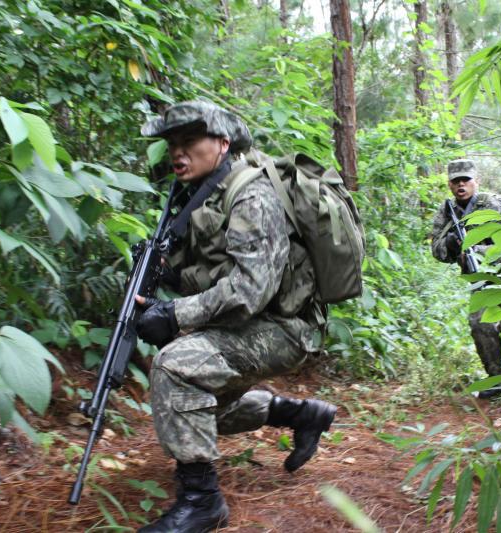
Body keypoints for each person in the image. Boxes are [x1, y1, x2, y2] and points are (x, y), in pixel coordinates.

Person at [133, 100, 337, 533]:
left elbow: (250, 288)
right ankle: (302, 414)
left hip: (287, 328)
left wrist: (175, 315)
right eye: (172, 143)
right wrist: (163, 279)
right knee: (194, 406)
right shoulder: (204, 194)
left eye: (190, 141)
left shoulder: (251, 194)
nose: (177, 152)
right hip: (255, 322)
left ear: (223, 144)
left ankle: (202, 501)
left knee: (174, 367)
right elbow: (212, 271)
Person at [430, 159, 501, 400]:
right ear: (449, 184)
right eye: (456, 181)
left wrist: (479, 251)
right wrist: (450, 243)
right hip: (482, 278)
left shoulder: (492, 205)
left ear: (475, 181)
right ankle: (496, 379)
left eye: (466, 180)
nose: (461, 185)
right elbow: (436, 250)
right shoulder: (447, 211)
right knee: (479, 324)